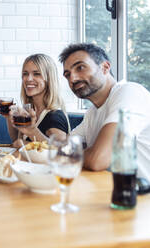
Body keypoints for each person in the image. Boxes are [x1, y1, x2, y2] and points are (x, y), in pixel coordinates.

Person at [59, 43, 150, 180]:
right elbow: (64, 145)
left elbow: (98, 159)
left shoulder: (130, 92)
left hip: (141, 197)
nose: (73, 78)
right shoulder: (92, 112)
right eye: (67, 75)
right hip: (110, 192)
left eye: (80, 68)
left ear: (105, 67)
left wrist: (73, 153)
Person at [4, 54, 70, 147]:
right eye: (25, 74)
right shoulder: (31, 110)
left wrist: (27, 142)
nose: (28, 79)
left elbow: (60, 150)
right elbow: (16, 141)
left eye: (37, 74)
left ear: (49, 79)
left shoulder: (55, 116)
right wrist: (8, 117)